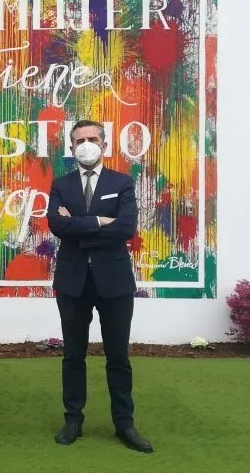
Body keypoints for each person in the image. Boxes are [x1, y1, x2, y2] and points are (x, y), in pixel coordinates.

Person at [46, 119, 153, 453]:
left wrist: (78, 225)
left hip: (114, 281)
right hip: (72, 281)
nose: (86, 145)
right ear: (72, 146)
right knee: (73, 355)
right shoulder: (61, 185)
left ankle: (124, 424)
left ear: (104, 144)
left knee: (118, 356)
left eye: (92, 139)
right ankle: (73, 419)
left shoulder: (121, 182)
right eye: (80, 140)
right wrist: (96, 221)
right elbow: (57, 225)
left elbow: (125, 228)